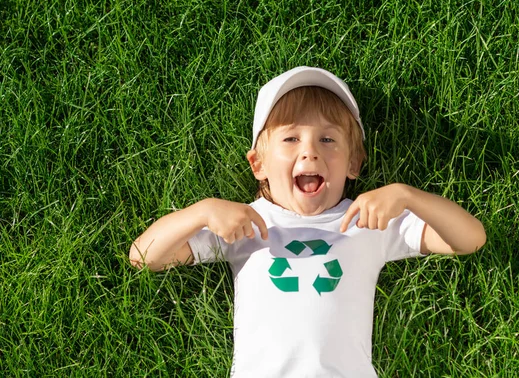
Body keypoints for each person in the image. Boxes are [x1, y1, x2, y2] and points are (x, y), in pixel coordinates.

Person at [130, 66, 486, 377]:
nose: (310, 150)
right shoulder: (243, 223)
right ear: (259, 166)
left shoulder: (369, 220)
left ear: (354, 164)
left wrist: (407, 196)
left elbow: (469, 240)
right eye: (290, 138)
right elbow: (145, 256)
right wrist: (202, 211)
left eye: (328, 139)